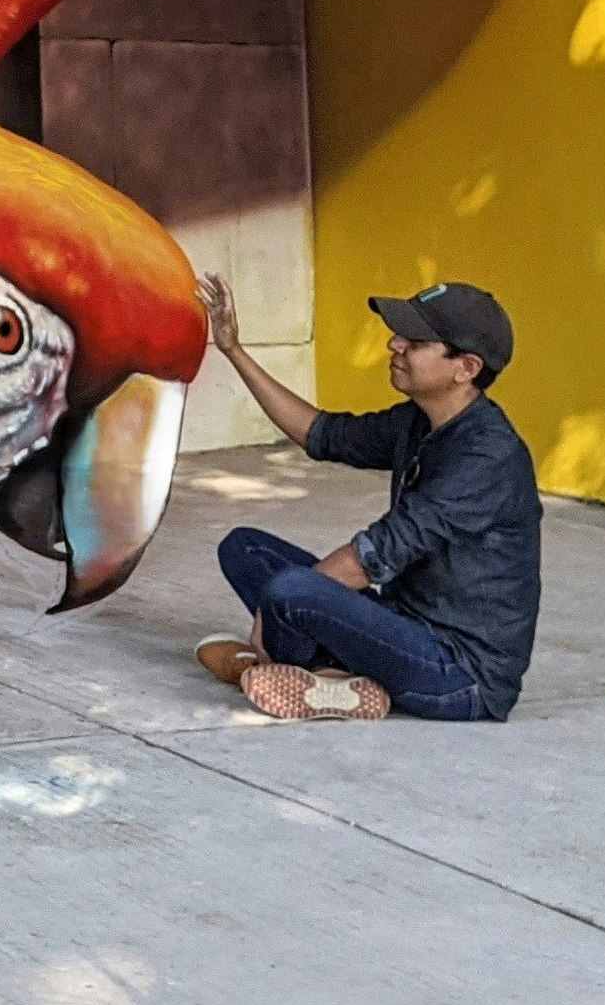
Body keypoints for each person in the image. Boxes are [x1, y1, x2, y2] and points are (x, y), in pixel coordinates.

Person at [194, 277, 541, 722]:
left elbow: (375, 554)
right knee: (245, 548)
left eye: (415, 341)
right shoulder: (421, 422)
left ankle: (291, 668)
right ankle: (329, 676)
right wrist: (234, 350)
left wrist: (271, 609)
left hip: (460, 675)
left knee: (292, 588)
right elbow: (321, 434)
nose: (394, 344)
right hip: (406, 625)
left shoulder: (486, 456)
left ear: (466, 367)